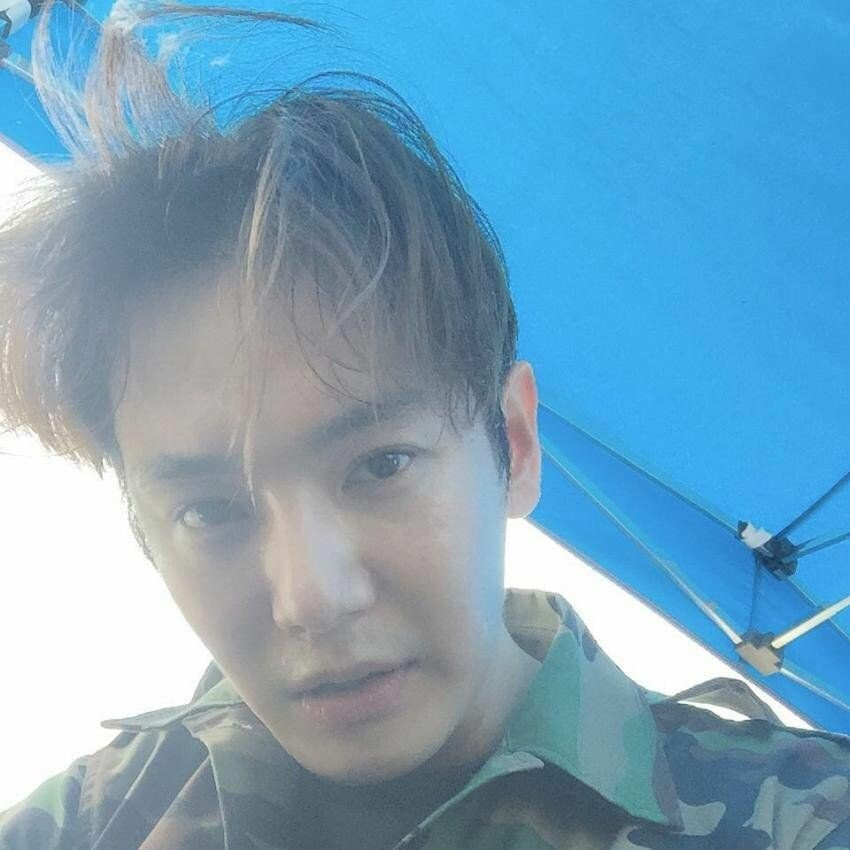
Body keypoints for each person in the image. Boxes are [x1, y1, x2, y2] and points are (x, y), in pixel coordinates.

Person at [1, 2, 849, 848]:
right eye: (209, 511)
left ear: (513, 445)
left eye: (381, 464)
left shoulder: (801, 817)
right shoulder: (81, 827)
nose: (312, 598)